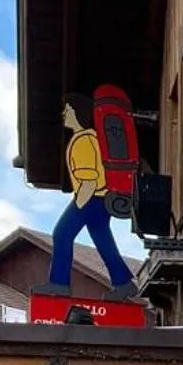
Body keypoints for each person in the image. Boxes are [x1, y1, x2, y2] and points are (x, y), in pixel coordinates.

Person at [44, 94, 138, 296]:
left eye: (68, 110)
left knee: (61, 233)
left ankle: (59, 284)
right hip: (103, 198)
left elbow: (89, 180)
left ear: (77, 113)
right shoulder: (94, 138)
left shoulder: (82, 141)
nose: (64, 114)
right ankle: (123, 282)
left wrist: (78, 206)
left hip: (91, 197)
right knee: (103, 240)